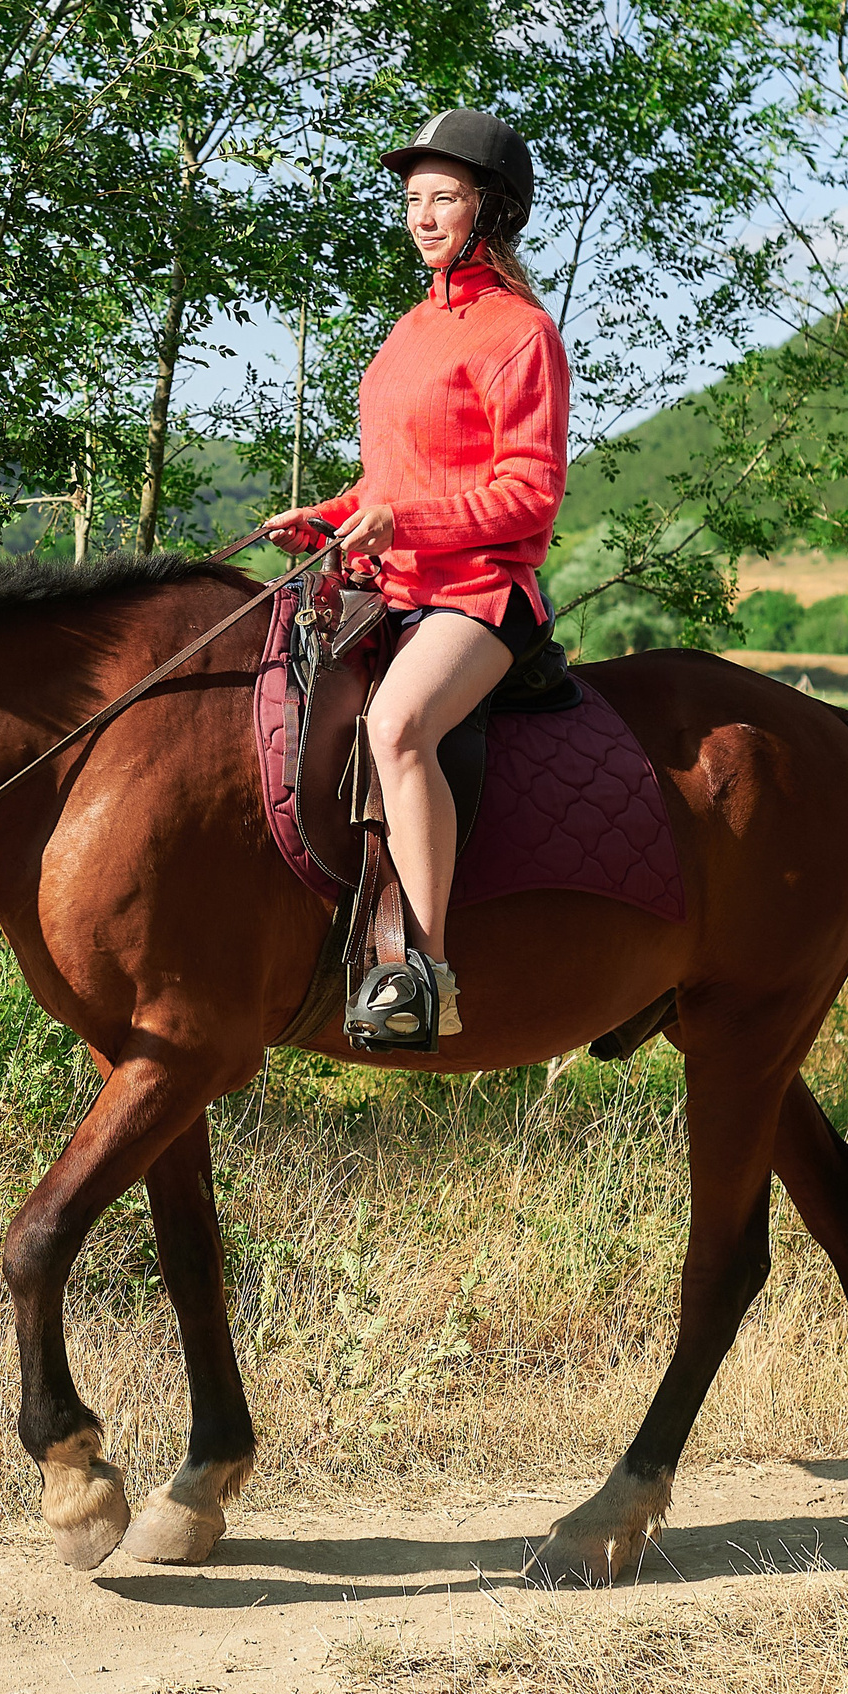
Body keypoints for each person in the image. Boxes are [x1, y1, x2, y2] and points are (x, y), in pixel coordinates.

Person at [264, 108, 570, 1048]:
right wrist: (330, 514)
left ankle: (420, 970)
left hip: (480, 594)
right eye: (413, 199)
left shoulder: (521, 334)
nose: (423, 216)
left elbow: (532, 492)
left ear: (493, 209)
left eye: (444, 197)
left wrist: (408, 520)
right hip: (393, 585)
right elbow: (394, 480)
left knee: (398, 727)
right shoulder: (407, 333)